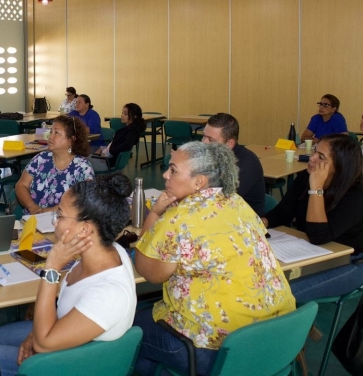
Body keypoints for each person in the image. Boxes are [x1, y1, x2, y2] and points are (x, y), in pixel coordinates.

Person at [0, 173, 137, 376]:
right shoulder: (109, 249)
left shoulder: (109, 294)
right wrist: (36, 332)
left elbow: (44, 343)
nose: (54, 221)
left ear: (84, 230)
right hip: (64, 338)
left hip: (70, 365)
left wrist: (52, 268)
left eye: (60, 215)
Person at [134, 142, 295, 375]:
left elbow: (150, 271)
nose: (165, 175)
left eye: (173, 170)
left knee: (131, 330)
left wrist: (157, 212)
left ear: (199, 182)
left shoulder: (180, 217)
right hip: (275, 334)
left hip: (215, 347)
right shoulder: (238, 202)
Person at [263, 134, 363, 302]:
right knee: (258, 281)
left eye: (321, 157)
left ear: (340, 166)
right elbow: (283, 213)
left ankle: (303, 326)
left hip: (350, 263)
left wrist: (316, 188)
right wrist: (259, 223)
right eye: (315, 151)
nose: (312, 158)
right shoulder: (305, 177)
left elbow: (319, 236)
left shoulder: (356, 195)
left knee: (280, 294)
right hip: (311, 256)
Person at [15, 115, 94, 214]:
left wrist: (47, 212)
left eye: (56, 133)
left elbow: (82, 201)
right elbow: (21, 185)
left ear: (71, 140)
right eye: (51, 131)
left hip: (64, 222)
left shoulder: (82, 167)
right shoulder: (41, 159)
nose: (51, 136)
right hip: (33, 218)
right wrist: (32, 207)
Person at [202, 112, 265, 216]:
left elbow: (223, 200)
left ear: (229, 144)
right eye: (204, 136)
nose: (204, 142)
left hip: (244, 222)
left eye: (210, 139)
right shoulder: (209, 156)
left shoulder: (247, 163)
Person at [91, 103, 145, 172]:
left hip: (107, 162)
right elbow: (114, 142)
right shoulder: (129, 128)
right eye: (122, 113)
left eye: (125, 114)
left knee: (82, 161)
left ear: (134, 116)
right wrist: (101, 149)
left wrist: (106, 154)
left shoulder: (132, 131)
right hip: (105, 157)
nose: (122, 115)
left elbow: (126, 145)